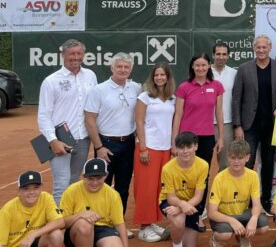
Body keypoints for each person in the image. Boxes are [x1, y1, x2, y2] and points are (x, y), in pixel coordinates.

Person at [84, 53, 140, 239]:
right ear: (112, 68)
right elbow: (90, 120)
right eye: (119, 67)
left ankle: (118, 224)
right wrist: (99, 147)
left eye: (126, 67)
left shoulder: (136, 88)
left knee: (123, 187)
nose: (123, 70)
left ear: (130, 69)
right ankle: (98, 225)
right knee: (101, 184)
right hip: (106, 144)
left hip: (128, 143)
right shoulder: (98, 90)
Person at [232, 34, 276, 214]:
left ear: (270, 48)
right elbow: (236, 99)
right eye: (258, 47)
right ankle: (245, 199)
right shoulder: (244, 68)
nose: (261, 50)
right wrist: (237, 125)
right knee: (247, 163)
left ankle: (265, 200)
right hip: (250, 126)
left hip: (271, 125)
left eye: (264, 47)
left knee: (268, 163)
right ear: (254, 49)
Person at [38, 39, 98, 204]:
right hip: (61, 141)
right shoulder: (51, 81)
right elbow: (43, 115)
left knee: (73, 182)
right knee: (61, 185)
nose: (76, 57)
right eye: (72, 54)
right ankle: (58, 227)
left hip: (83, 138)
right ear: (62, 55)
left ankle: (70, 223)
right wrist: (53, 140)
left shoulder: (91, 75)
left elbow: (95, 106)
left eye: (79, 54)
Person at [173, 53, 225, 231]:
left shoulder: (217, 86)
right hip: (186, 138)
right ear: (192, 67)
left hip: (207, 138)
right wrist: (175, 142)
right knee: (184, 176)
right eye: (197, 65)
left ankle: (197, 213)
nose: (201, 68)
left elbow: (219, 114)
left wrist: (221, 138)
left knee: (202, 176)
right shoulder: (184, 87)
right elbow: (178, 115)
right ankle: (183, 209)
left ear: (209, 66)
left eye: (204, 65)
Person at [133, 63, 175, 243]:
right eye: (156, 75)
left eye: (162, 75)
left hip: (165, 149)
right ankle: (143, 227)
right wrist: (143, 147)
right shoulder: (144, 97)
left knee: (159, 188)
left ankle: (152, 222)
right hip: (148, 148)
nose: (159, 78)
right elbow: (139, 122)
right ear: (152, 77)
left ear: (167, 77)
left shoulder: (172, 98)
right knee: (146, 188)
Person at [207, 140, 269, 247]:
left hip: (242, 214)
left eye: (240, 158)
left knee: (263, 226)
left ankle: (242, 236)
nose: (236, 162)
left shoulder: (253, 176)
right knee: (225, 234)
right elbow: (212, 213)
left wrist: (254, 219)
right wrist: (232, 221)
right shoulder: (219, 178)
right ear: (228, 157)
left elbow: (257, 205)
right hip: (224, 216)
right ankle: (215, 239)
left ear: (247, 157)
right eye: (233, 158)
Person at [60, 158, 128, 247]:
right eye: (90, 178)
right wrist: (80, 215)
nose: (94, 183)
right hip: (77, 230)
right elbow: (60, 223)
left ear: (106, 175)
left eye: (99, 178)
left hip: (103, 230)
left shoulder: (113, 195)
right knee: (84, 225)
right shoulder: (71, 191)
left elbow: (119, 225)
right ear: (83, 176)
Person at [160, 132, 209, 247]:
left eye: (189, 147)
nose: (185, 151)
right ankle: (176, 244)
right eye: (181, 147)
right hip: (169, 202)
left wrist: (180, 208)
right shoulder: (167, 169)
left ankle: (175, 228)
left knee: (190, 245)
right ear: (176, 149)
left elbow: (198, 196)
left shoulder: (203, 166)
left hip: (192, 202)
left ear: (196, 146)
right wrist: (182, 206)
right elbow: (170, 197)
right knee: (179, 221)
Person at [0, 171, 64, 247]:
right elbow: (1, 244)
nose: (32, 192)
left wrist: (32, 235)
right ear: (19, 191)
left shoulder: (46, 198)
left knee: (56, 234)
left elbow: (60, 222)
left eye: (36, 188)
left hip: (34, 242)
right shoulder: (7, 210)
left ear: (41, 188)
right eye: (26, 189)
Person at [211, 42, 237, 171]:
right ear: (213, 55)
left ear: (228, 56)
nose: (221, 57)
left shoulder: (234, 73)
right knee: (202, 163)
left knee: (225, 165)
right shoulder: (205, 72)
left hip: (226, 124)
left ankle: (223, 191)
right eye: (218, 54)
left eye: (224, 54)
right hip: (205, 124)